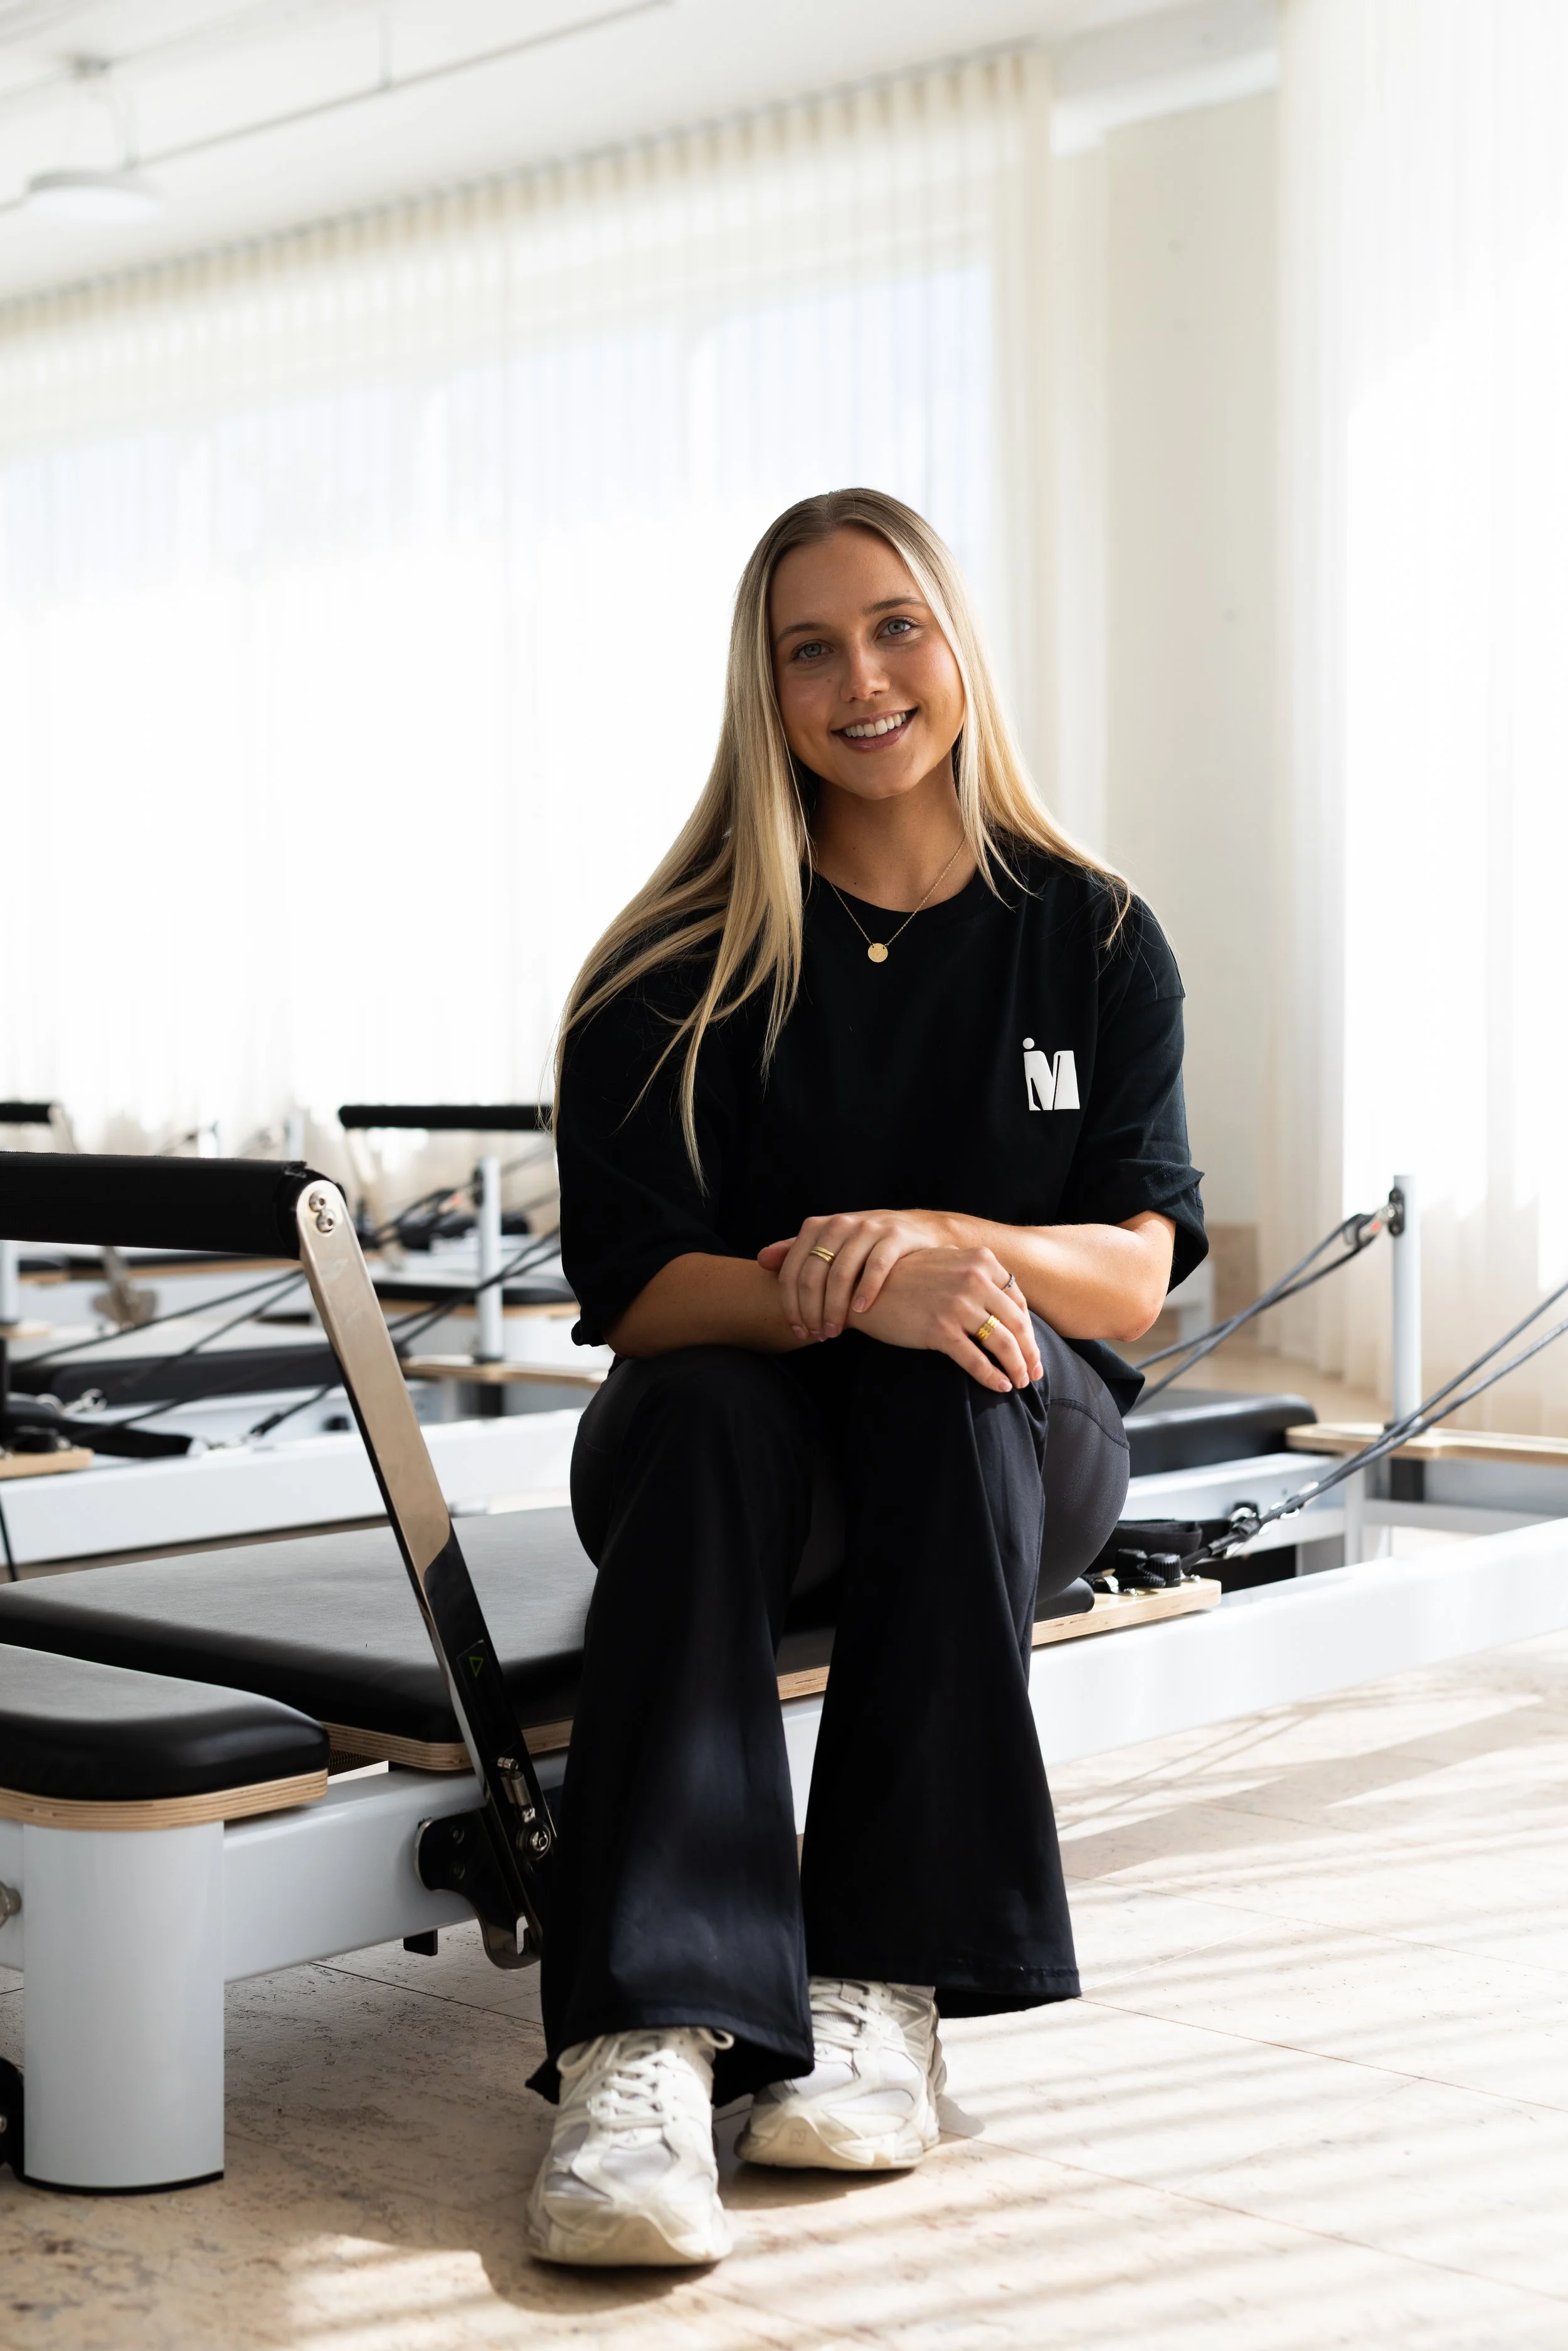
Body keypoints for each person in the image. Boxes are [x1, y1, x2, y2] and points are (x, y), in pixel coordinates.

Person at [526, 487, 1205, 2268]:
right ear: (762, 692)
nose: (863, 679)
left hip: (1011, 1433)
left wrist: (934, 1246)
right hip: (731, 1451)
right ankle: (640, 2043)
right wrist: (853, 1296)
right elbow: (641, 1293)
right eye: (809, 649)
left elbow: (1135, 1270)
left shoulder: (1094, 936)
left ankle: (874, 1988)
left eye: (896, 626)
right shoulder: (671, 965)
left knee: (953, 1371)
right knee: (702, 1407)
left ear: (956, 643)